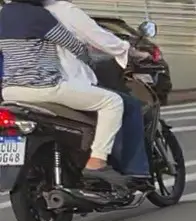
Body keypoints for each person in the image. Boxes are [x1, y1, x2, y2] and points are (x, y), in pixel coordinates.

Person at [0, 0, 143, 186]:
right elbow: (73, 45)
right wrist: (90, 61)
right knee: (113, 102)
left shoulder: (3, 15)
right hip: (43, 88)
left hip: (11, 92)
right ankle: (97, 161)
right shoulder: (41, 16)